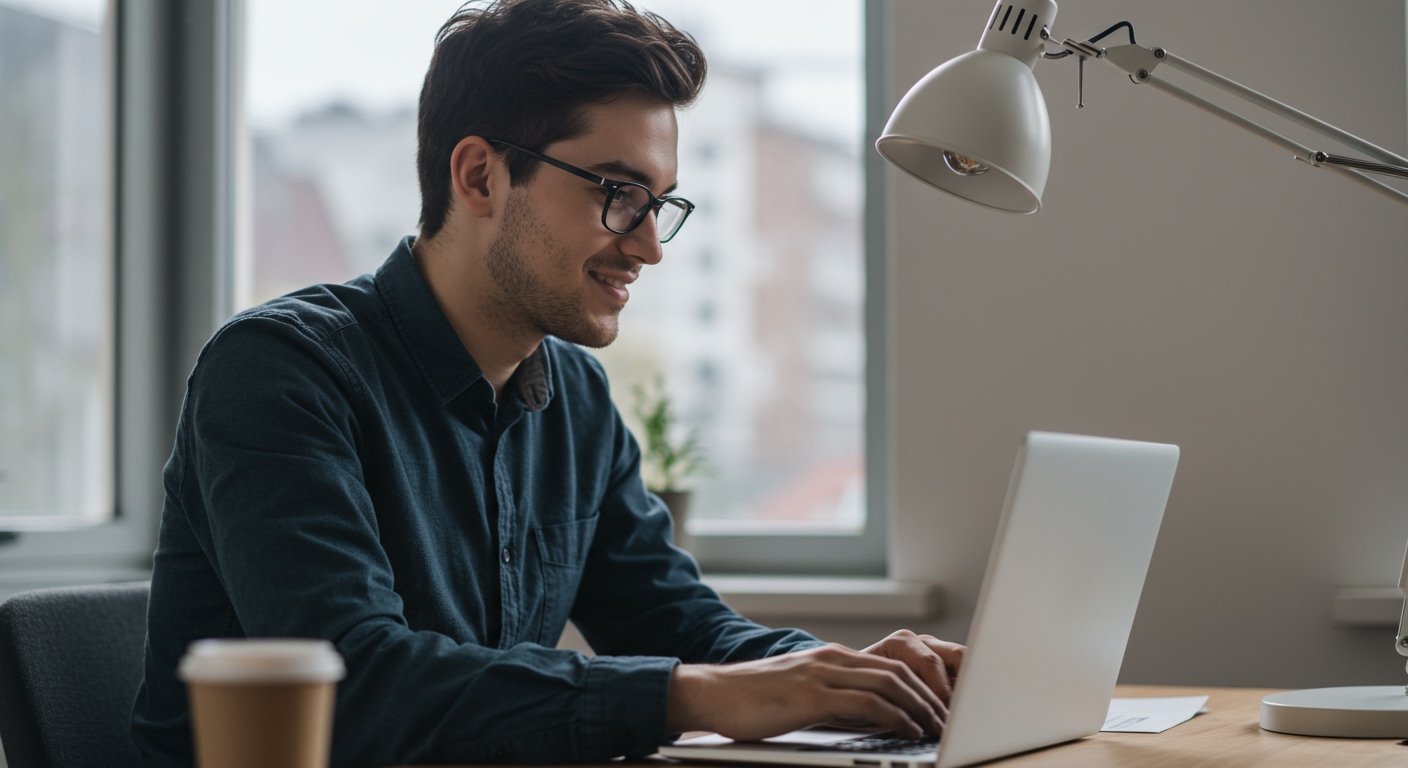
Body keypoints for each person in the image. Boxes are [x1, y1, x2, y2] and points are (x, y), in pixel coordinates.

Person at [130, 1, 965, 765]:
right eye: (618, 194)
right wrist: (692, 695)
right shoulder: (280, 370)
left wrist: (838, 674)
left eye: (661, 204)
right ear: (480, 177)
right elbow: (355, 685)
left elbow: (677, 622)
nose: (648, 248)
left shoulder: (575, 399)